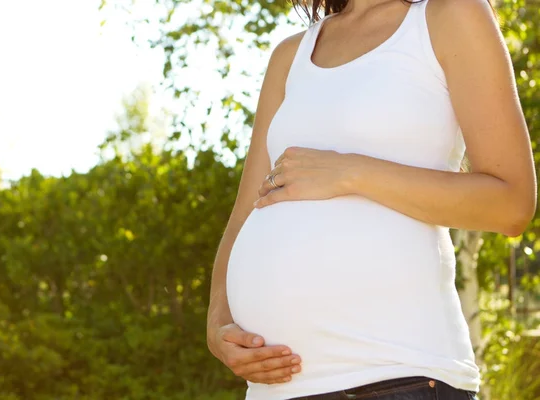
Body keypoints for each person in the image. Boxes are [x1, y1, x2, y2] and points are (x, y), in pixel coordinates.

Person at [206, 0, 537, 398]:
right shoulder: (289, 56)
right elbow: (244, 213)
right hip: (276, 390)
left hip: (398, 375)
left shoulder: (449, 15)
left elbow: (512, 203)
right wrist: (218, 323)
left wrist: (352, 173)